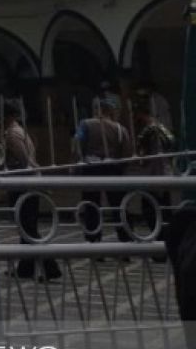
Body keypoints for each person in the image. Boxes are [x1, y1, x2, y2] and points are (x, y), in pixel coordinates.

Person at [0, 100, 61, 280]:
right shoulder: (19, 132)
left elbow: (24, 161)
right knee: (26, 227)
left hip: (22, 184)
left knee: (28, 228)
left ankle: (50, 267)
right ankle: (25, 268)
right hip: (27, 183)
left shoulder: (12, 135)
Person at [75, 98, 134, 243]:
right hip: (113, 168)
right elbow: (127, 152)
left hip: (91, 168)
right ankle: (126, 240)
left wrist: (80, 160)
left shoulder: (85, 124)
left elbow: (77, 144)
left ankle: (93, 240)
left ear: (97, 110)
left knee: (91, 205)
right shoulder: (120, 129)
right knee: (119, 205)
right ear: (111, 112)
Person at [134, 104, 175, 234]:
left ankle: (158, 234)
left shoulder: (148, 130)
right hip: (165, 171)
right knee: (165, 206)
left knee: (150, 207)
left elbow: (142, 152)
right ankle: (166, 232)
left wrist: (140, 158)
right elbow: (172, 143)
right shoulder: (163, 128)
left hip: (152, 171)